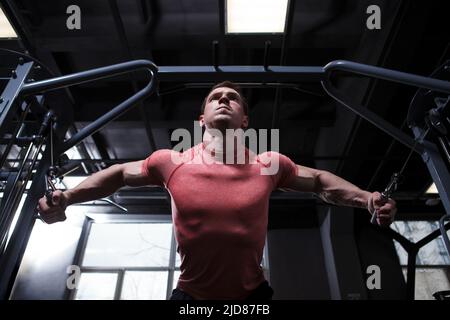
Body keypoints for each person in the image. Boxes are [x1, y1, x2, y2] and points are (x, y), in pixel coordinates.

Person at [37, 81, 397, 300]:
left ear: (245, 120)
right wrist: (68, 197)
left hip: (252, 296)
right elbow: (116, 174)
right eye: (215, 98)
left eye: (232, 98)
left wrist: (366, 198)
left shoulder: (268, 164)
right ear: (201, 119)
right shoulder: (170, 162)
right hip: (192, 297)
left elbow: (319, 182)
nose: (223, 100)